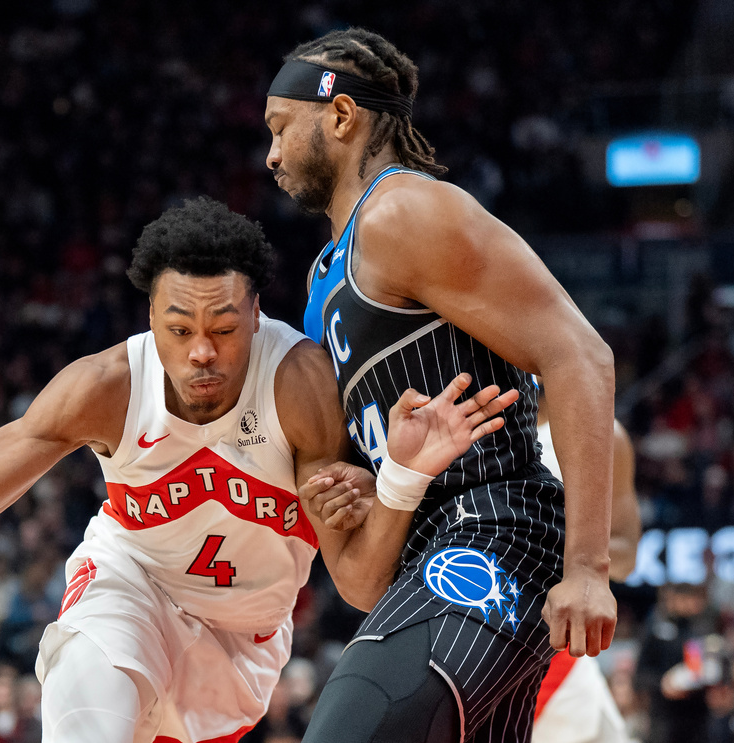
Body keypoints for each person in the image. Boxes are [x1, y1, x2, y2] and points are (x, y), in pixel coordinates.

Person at [0, 197, 516, 743]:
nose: (202, 351)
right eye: (180, 328)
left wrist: (397, 479)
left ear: (256, 314)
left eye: (223, 328)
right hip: (130, 584)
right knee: (87, 688)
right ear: (151, 314)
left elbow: (361, 583)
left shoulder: (298, 384)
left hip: (243, 639)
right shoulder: (108, 384)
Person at [264, 27, 618, 742]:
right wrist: (380, 485)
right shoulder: (321, 282)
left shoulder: (404, 212)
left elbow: (581, 354)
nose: (269, 153)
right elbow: (362, 584)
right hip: (422, 554)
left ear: (339, 115)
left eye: (279, 126)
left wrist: (586, 566)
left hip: (497, 527)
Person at [532, 384, 642, 743]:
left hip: (557, 655)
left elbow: (625, 555)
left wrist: (565, 551)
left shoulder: (600, 432)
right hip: (466, 641)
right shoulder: (456, 428)